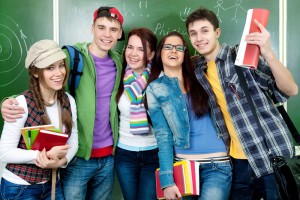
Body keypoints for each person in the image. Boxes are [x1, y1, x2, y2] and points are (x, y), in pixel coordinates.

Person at [1, 6, 124, 200]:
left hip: (108, 157)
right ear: (92, 28)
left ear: (120, 33)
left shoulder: (119, 61)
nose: (107, 34)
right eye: (101, 27)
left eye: (113, 29)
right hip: (77, 159)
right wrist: (8, 101)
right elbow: (41, 75)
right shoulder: (72, 56)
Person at [185, 7, 298, 200]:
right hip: (236, 163)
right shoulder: (197, 69)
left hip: (270, 155)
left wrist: (268, 53)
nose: (199, 38)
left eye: (205, 30)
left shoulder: (242, 55)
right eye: (193, 33)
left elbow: (290, 90)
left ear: (217, 32)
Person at [146, 31, 232, 200]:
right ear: (160, 53)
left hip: (217, 166)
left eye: (179, 48)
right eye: (168, 47)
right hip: (183, 169)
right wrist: (167, 182)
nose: (173, 51)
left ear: (185, 54)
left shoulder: (202, 76)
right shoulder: (154, 89)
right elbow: (163, 137)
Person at [0, 40, 78, 199]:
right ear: (36, 72)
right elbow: (4, 153)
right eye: (50, 68)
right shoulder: (22, 103)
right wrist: (42, 156)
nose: (59, 73)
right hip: (19, 187)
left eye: (61, 65)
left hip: (52, 184)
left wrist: (60, 162)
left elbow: (74, 140)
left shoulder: (68, 100)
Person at [115, 27, 158, 200]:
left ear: (152, 54)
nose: (133, 53)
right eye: (130, 47)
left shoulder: (159, 79)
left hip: (153, 153)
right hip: (124, 154)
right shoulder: (118, 77)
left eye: (141, 49)